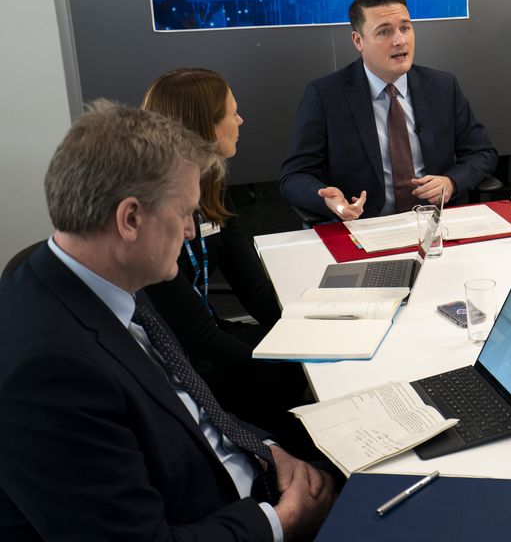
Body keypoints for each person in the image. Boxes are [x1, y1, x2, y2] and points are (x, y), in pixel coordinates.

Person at [0, 101, 334, 540]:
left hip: (245, 475)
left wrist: (270, 452)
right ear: (131, 219)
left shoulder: (107, 278)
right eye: (183, 214)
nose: (192, 231)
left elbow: (190, 405)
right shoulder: (49, 372)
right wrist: (282, 520)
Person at [142, 68, 315, 458]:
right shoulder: (156, 211)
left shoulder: (211, 182)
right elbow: (196, 336)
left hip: (209, 333)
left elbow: (252, 286)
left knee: (292, 370)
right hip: (175, 362)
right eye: (232, 114)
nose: (240, 121)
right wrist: (296, 360)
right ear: (204, 127)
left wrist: (301, 339)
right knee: (286, 384)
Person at [279, 0, 498, 221]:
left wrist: (451, 182)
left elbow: (482, 153)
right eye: (384, 32)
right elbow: (294, 177)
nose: (399, 40)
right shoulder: (325, 96)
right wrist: (327, 199)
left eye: (405, 28)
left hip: (435, 222)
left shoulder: (442, 86)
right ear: (358, 41)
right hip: (364, 226)